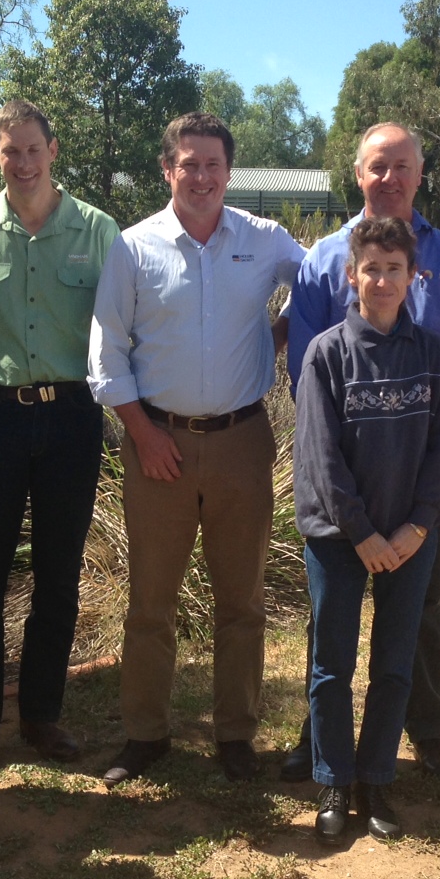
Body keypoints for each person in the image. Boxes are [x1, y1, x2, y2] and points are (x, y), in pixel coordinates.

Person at [88, 112, 304, 786]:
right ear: (167, 169)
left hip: (242, 442)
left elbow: (323, 286)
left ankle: (236, 736)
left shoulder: (265, 240)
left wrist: (270, 342)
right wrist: (143, 434)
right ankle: (145, 735)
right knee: (150, 602)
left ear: (228, 170)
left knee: (242, 601)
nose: (201, 176)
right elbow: (105, 350)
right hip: (160, 446)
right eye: (189, 163)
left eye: (213, 164)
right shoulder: (132, 247)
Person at [281, 122, 440, 781]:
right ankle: (323, 746)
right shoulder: (322, 261)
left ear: (421, 175)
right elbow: (304, 369)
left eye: (402, 166)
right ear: (358, 174)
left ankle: (425, 735)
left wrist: (418, 511)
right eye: (377, 166)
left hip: (416, 480)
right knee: (330, 625)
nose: (389, 177)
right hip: (342, 478)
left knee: (422, 613)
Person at [0, 100, 119, 780]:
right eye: (9, 151)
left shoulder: (97, 230)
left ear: (53, 149)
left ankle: (43, 714)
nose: (22, 162)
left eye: (32, 149)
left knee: (59, 574)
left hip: (72, 417)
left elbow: (123, 324)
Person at [295, 217, 440, 843]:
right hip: (341, 538)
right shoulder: (327, 354)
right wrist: (361, 532)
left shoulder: (433, 355)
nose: (383, 279)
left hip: (411, 538)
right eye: (372, 269)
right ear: (352, 275)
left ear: (413, 276)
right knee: (332, 662)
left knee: (394, 663)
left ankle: (377, 778)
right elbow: (320, 455)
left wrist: (418, 526)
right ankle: (334, 779)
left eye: (395, 269)